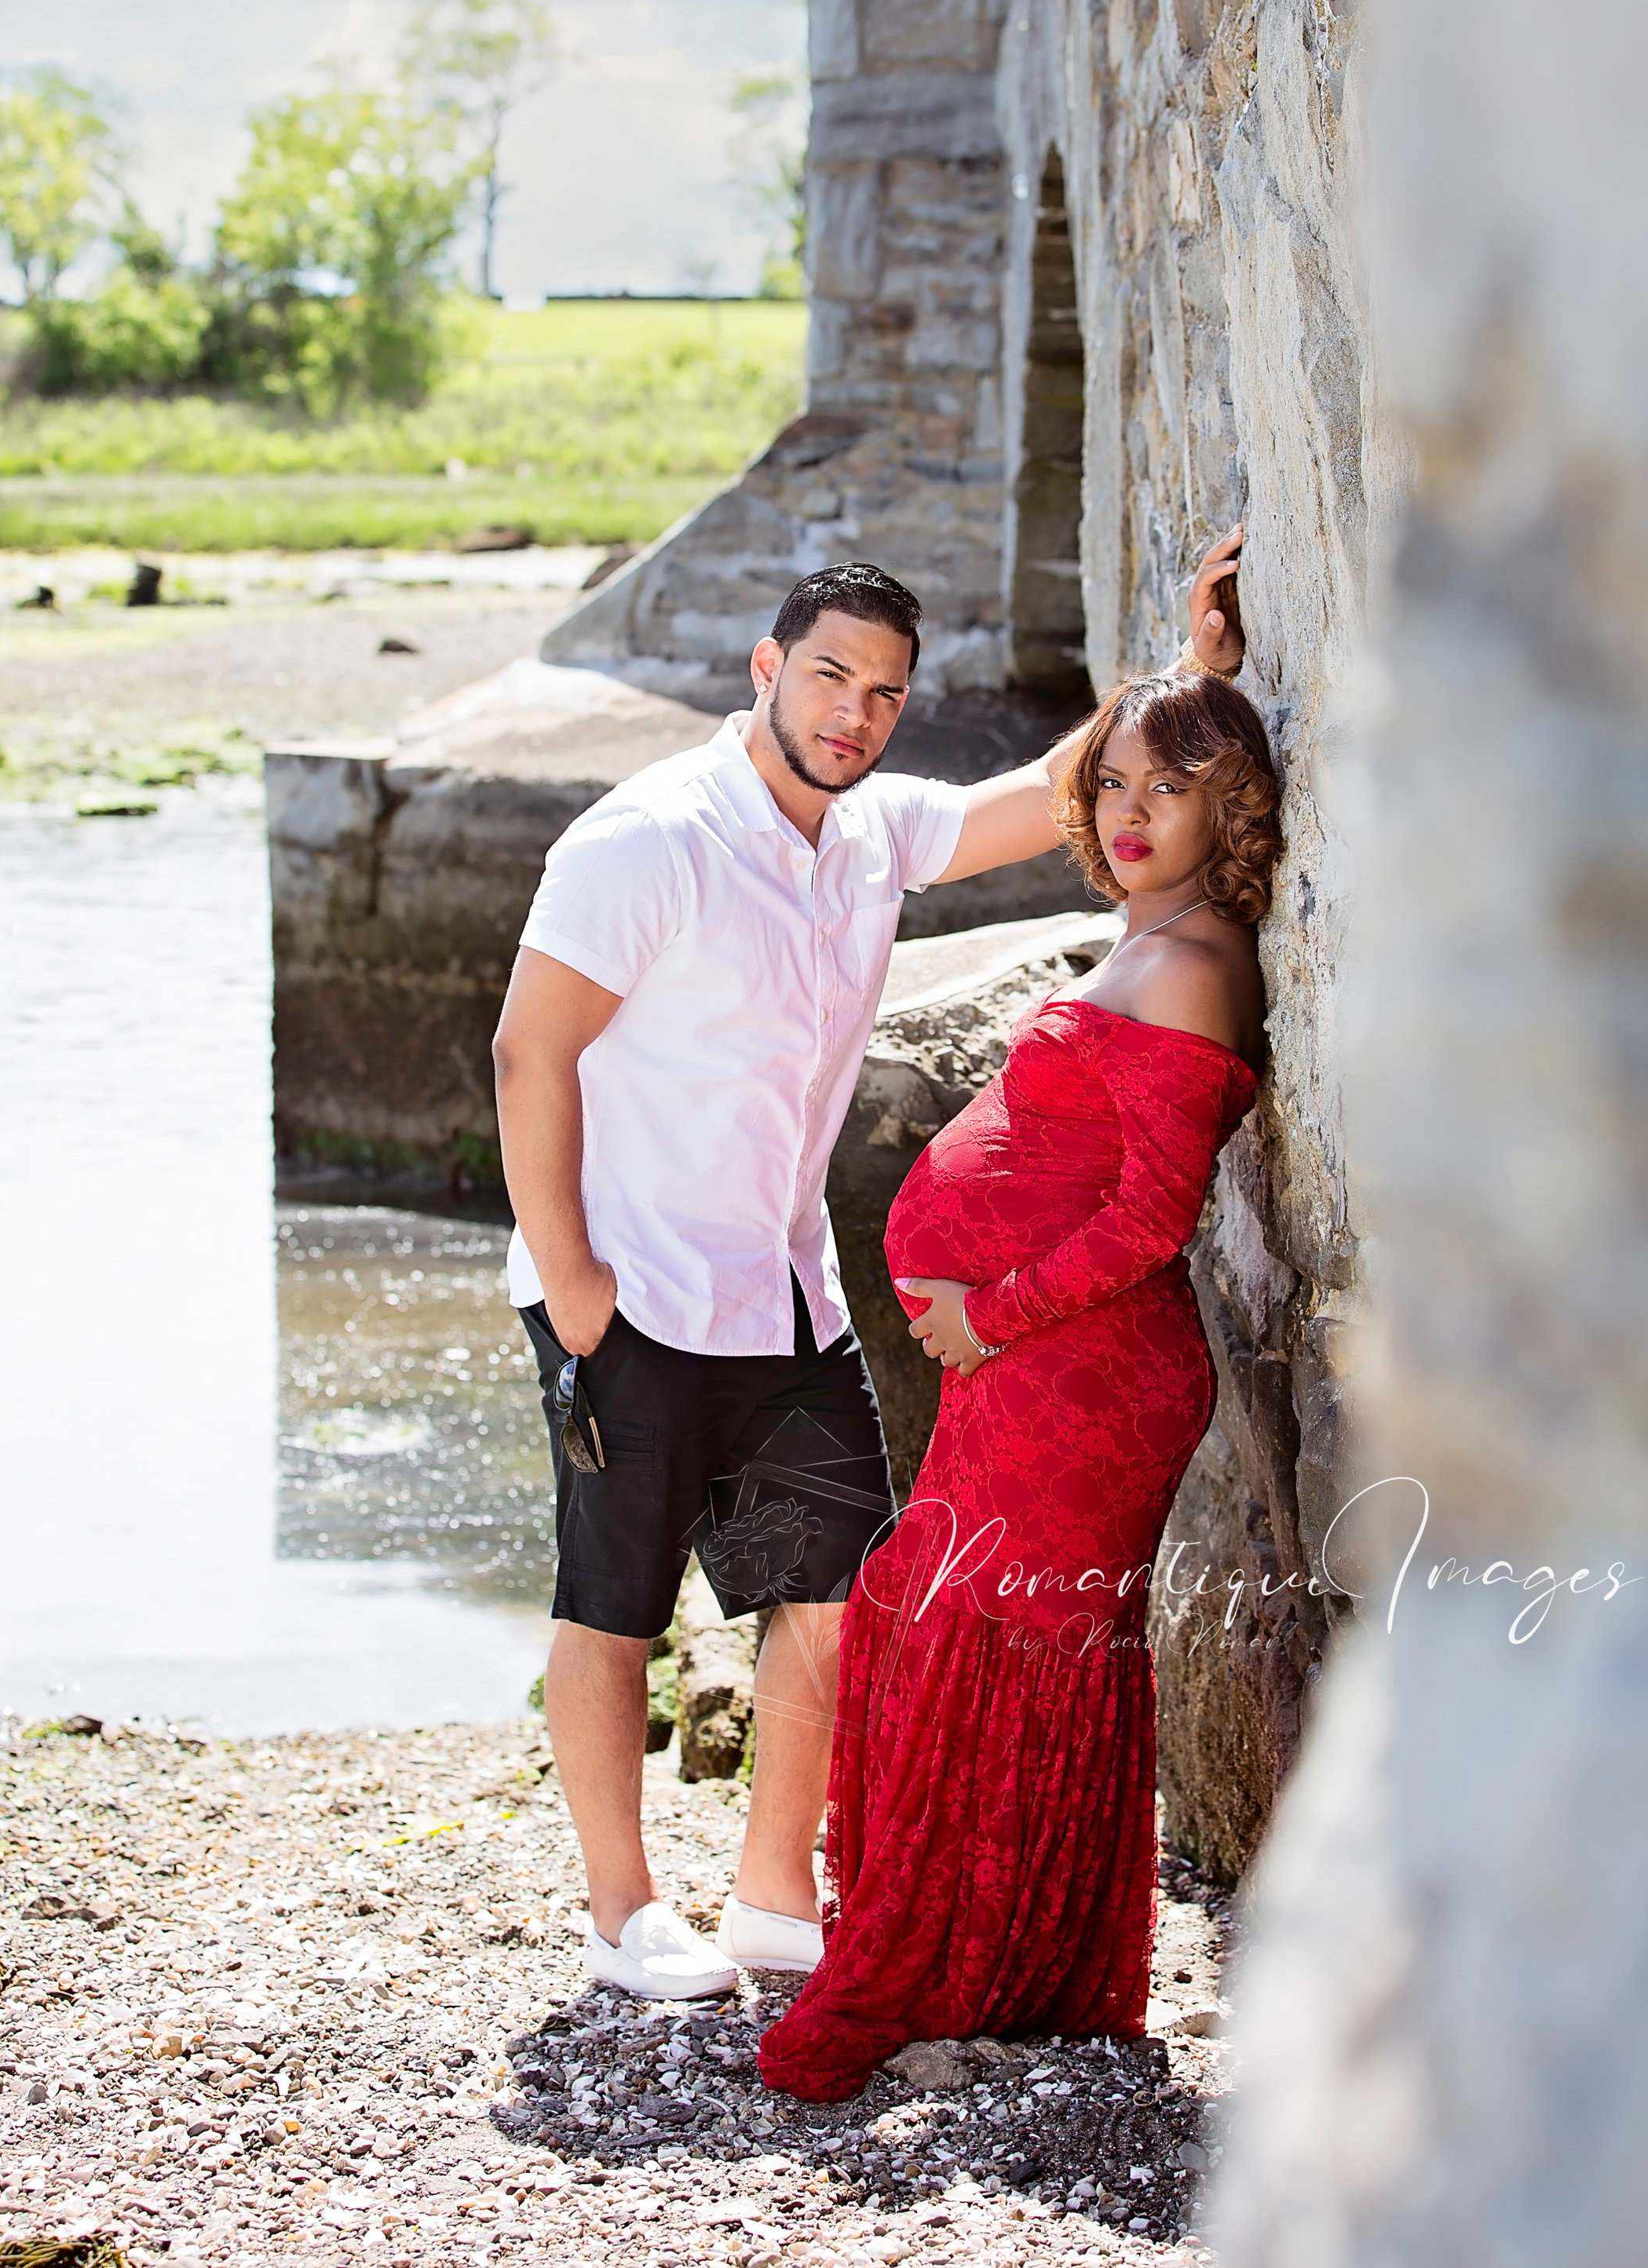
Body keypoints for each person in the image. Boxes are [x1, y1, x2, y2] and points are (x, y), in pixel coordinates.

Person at [492, 539, 1245, 2003]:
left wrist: (1189, 671)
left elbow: (1048, 793)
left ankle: (775, 1895)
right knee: (615, 1605)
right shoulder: (646, 838)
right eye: (830, 675)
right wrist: (573, 1282)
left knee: (834, 1590)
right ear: (767, 669)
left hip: (788, 1295)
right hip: (634, 1289)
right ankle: (622, 1912)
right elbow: (532, 1051)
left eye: (886, 692)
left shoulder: (874, 832)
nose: (855, 711)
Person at [756, 661, 1281, 2099]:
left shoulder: (1196, 961)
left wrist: (988, 1314)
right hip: (1034, 1369)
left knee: (995, 1640)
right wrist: (1193, 667)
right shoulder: (1156, 932)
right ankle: (994, 1960)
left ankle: (975, 1967)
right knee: (932, 1616)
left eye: (1170, 788)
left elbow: (1154, 1219)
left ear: (1229, 804)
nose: (1129, 810)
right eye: (1113, 782)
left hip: (1084, 1374)